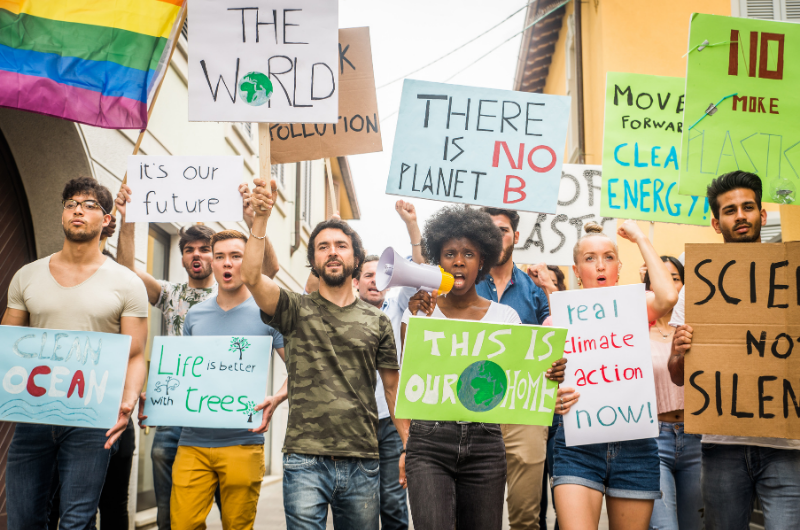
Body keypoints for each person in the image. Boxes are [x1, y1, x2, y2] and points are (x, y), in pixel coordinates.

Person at [242, 179, 405, 529]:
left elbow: (393, 390)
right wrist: (260, 219)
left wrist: (408, 445)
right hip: (304, 459)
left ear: (356, 259)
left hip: (363, 458)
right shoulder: (292, 308)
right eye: (323, 247)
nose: (332, 251)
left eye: (341, 245)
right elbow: (252, 276)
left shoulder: (378, 321)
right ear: (313, 261)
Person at [399, 206, 574, 530]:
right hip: (430, 442)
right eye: (450, 253)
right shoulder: (420, 313)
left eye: (469, 253)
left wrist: (551, 375)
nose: (459, 260)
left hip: (486, 443)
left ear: (482, 262)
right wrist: (419, 318)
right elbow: (410, 371)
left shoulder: (505, 318)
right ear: (439, 259)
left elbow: (524, 383)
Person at [115, 182, 278, 530]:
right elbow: (126, 274)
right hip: (181, 413)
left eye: (209, 250)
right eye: (191, 250)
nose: (201, 256)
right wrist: (129, 220)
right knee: (175, 509)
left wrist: (256, 223)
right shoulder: (176, 297)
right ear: (184, 256)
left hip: (235, 424)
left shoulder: (258, 301)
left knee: (233, 514)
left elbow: (269, 269)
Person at [2, 177, 149, 530]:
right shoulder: (27, 275)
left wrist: (125, 406)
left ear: (107, 219)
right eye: (70, 204)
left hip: (93, 418)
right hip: (33, 415)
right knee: (23, 520)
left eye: (89, 204)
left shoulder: (127, 282)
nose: (78, 210)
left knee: (76, 521)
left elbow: (135, 353)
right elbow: (8, 340)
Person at [668, 171, 800, 529]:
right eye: (730, 210)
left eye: (748, 207)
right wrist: (679, 351)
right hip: (721, 446)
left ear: (763, 214)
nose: (740, 215)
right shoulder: (696, 287)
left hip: (787, 448)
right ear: (716, 222)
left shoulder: (792, 277)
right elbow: (678, 376)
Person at [552, 220, 679, 530]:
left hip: (636, 445)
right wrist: (551, 397)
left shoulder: (636, 305)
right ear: (577, 268)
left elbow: (668, 296)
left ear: (619, 266)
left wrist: (638, 237)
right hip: (577, 446)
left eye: (609, 257)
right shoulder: (555, 319)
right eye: (590, 258)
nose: (601, 265)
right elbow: (540, 386)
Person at [477, 207, 565, 530]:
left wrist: (549, 288)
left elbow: (562, 337)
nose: (495, 235)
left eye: (502, 229)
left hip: (524, 413)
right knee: (477, 516)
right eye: (488, 229)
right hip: (477, 412)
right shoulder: (463, 285)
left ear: (516, 236)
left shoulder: (533, 290)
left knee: (526, 518)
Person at [351, 200, 424, 530]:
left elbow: (421, 272)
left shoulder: (396, 306)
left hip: (392, 422)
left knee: (394, 502)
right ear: (356, 282)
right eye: (367, 275)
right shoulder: (344, 313)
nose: (374, 281)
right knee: (360, 505)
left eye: (380, 275)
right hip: (355, 423)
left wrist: (412, 226)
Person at [640, 256, 703, 530]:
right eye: (660, 277)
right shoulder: (633, 329)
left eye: (675, 277)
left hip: (697, 440)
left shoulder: (699, 327)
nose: (669, 283)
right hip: (654, 439)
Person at [528, 264, 567, 530]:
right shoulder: (542, 322)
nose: (545, 286)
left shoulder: (570, 316)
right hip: (535, 415)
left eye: (552, 284)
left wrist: (548, 287)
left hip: (562, 420)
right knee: (533, 498)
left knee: (562, 490)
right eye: (541, 284)